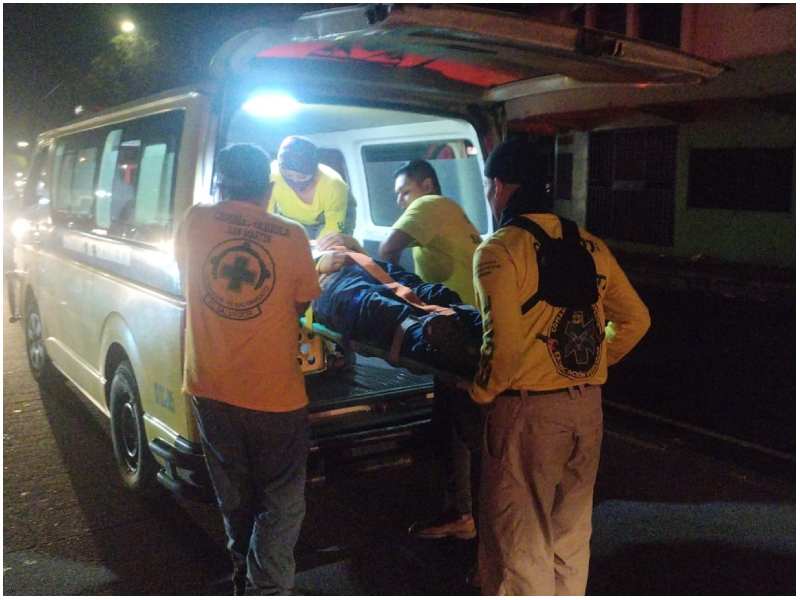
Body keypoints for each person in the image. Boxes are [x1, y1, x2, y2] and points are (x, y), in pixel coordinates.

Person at [469, 138, 651, 595]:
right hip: (586, 410)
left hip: (528, 415)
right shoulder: (590, 244)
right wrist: (592, 363)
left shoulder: (499, 250)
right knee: (570, 535)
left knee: (519, 542)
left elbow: (504, 346)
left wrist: (482, 392)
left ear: (499, 186)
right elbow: (636, 319)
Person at [175, 144, 320, 595]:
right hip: (275, 395)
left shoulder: (194, 222)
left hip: (210, 387)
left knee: (235, 500)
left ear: (219, 182)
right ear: (269, 186)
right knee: (280, 505)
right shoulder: (291, 235)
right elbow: (301, 302)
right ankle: (267, 590)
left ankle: (245, 579)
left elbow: (188, 277)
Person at [378, 160, 483, 543]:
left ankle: (472, 519)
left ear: (426, 184)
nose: (401, 203)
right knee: (456, 421)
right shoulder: (455, 211)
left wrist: (390, 306)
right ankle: (464, 512)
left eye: (405, 192)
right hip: (471, 325)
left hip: (456, 334)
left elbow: (387, 251)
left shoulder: (430, 204)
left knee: (460, 425)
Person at [268, 135, 353, 239]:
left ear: (314, 172)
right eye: (288, 176)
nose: (295, 181)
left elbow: (333, 228)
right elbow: (267, 215)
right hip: (290, 217)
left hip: (327, 217)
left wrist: (318, 250)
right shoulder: (273, 176)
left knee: (332, 245)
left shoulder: (334, 185)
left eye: (302, 177)